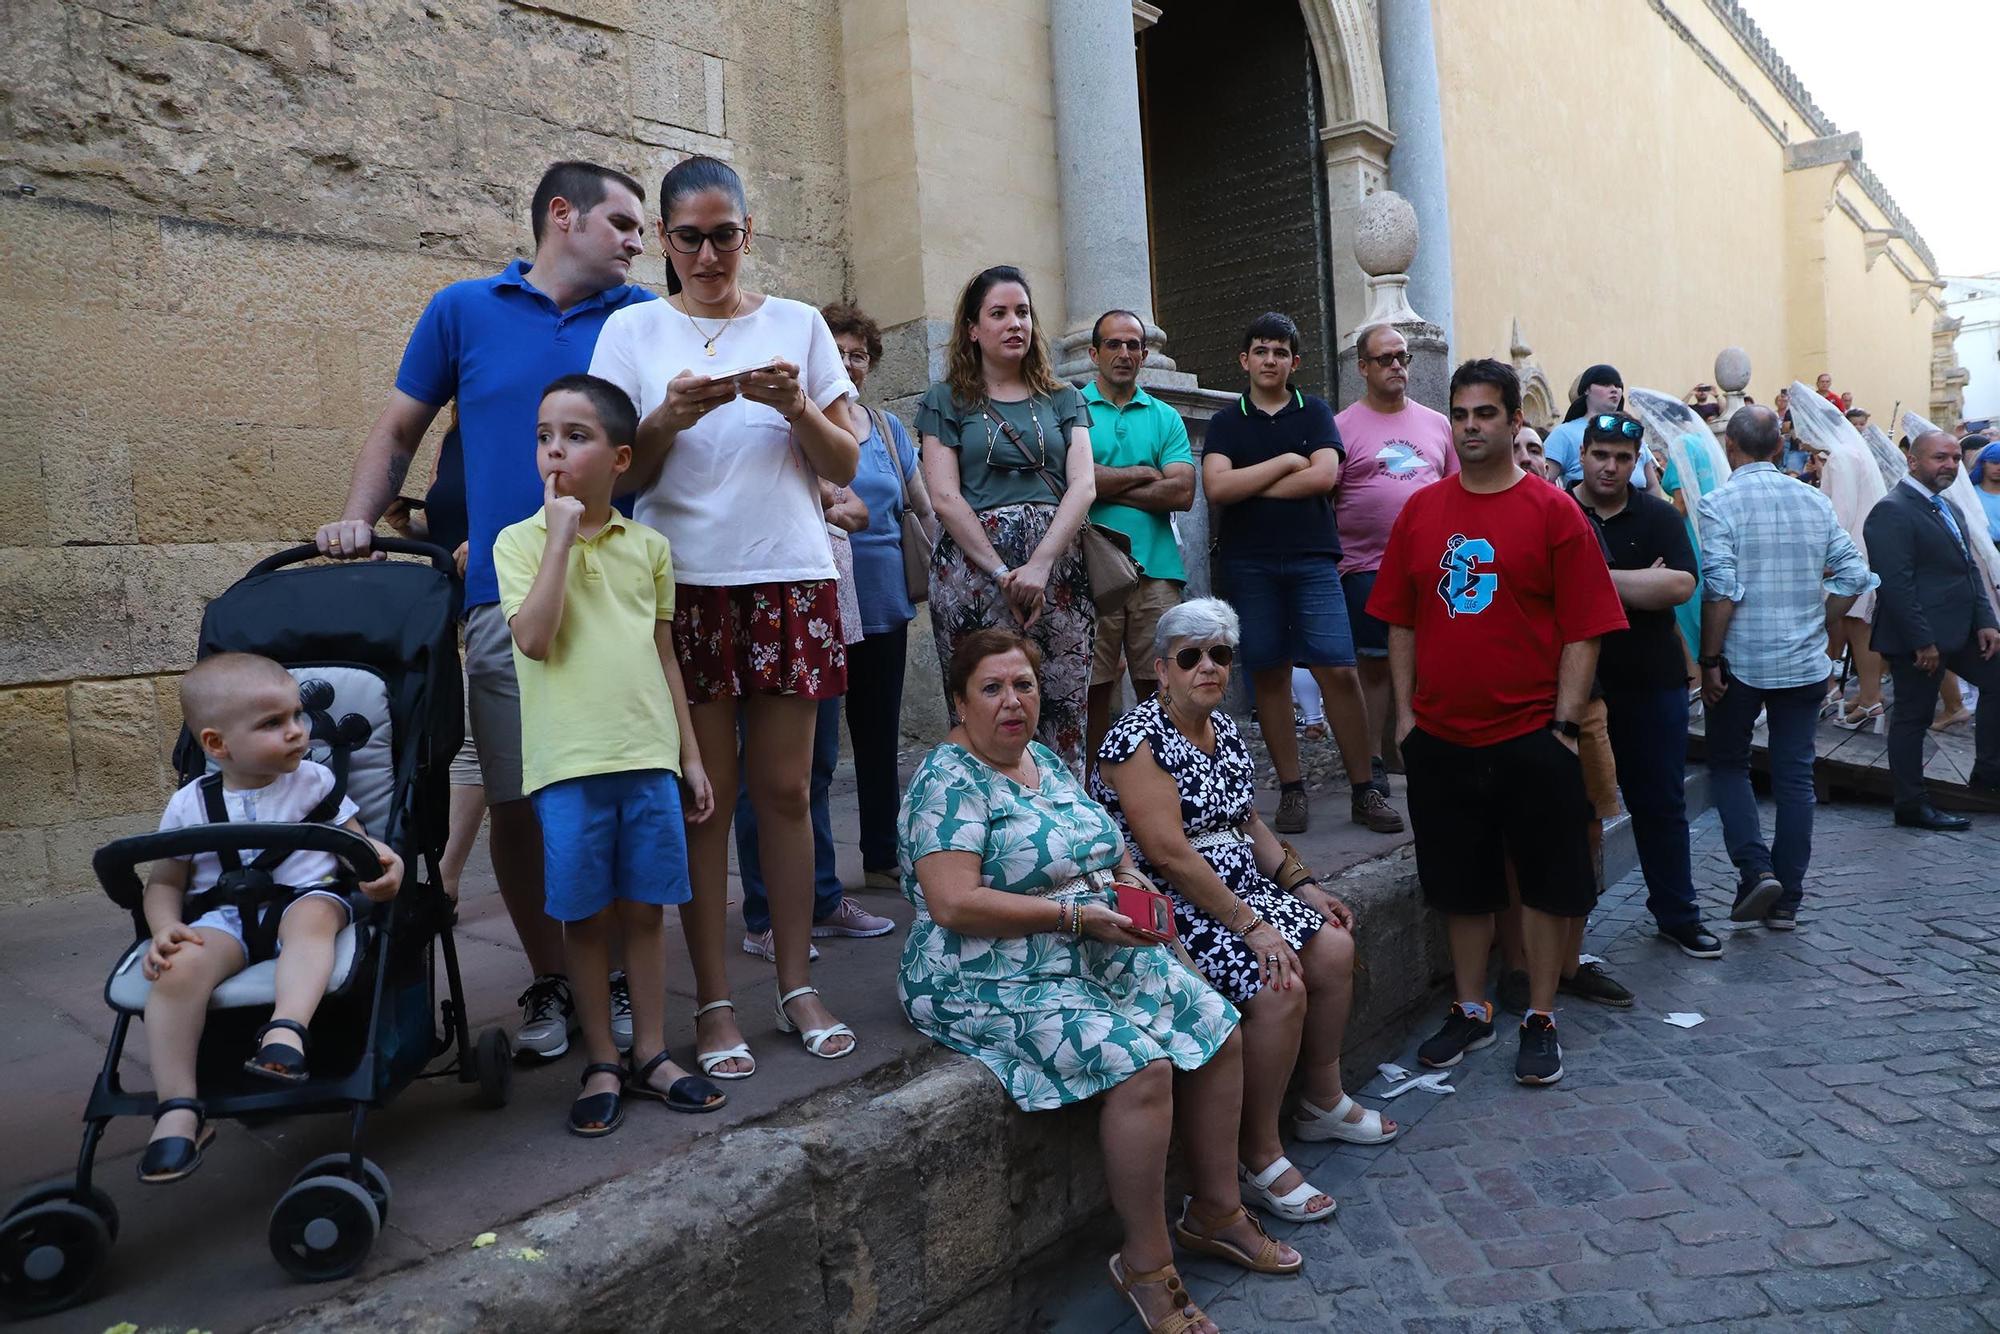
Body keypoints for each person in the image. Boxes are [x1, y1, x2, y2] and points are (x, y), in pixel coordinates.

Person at [316, 162, 654, 1061]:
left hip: (621, 590)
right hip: (501, 594)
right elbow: (399, 429)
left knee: (618, 790)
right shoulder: (462, 307)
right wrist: (356, 516)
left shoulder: (638, 319)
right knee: (516, 797)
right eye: (622, 222)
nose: (636, 241)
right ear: (560, 216)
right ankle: (552, 976)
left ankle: (617, 976)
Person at [901, 630, 1293, 1334]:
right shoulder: (947, 782)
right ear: (959, 704)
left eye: (1023, 684)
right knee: (1141, 1066)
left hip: (1088, 939)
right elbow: (953, 903)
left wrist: (1144, 904)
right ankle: (1146, 1265)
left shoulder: (1042, 760)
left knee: (1216, 1020)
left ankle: (1217, 1210)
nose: (1011, 701)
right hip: (988, 969)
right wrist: (1077, 916)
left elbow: (1107, 852)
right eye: (991, 689)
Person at [589, 154, 862, 1074]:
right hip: (685, 584)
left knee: (787, 793)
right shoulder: (633, 331)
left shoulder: (799, 324)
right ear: (663, 241)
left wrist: (795, 407)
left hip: (790, 574)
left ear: (750, 233)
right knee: (704, 800)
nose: (709, 255)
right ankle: (711, 1003)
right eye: (689, 238)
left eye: (725, 236)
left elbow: (847, 465)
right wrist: (662, 418)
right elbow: (625, 475)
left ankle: (794, 982)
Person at [1093, 598, 1397, 1228]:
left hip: (1237, 887)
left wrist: (1303, 885)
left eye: (1220, 654)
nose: (1208, 666)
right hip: (1173, 901)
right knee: (1279, 985)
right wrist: (1252, 925)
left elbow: (1250, 822)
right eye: (1191, 656)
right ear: (1161, 669)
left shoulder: (1223, 729)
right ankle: (1258, 1153)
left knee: (1334, 946)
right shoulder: (1135, 739)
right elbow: (1168, 853)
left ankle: (1321, 1098)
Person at [1369, 359, 1627, 1088]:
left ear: (1517, 423)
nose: (1472, 426)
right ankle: (1472, 1007)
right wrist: (1408, 714)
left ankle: (1541, 1014)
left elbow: (1585, 627)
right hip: (1443, 736)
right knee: (1460, 884)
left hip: (1531, 733)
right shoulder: (1421, 511)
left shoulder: (1553, 511)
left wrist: (1566, 725)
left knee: (1545, 883)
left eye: (1486, 413)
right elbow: (1401, 620)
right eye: (1461, 414)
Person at [495, 375, 724, 1134]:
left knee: (647, 910)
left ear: (621, 459)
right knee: (586, 918)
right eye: (542, 436)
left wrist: (688, 756)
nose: (554, 450)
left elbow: (664, 658)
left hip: (647, 755)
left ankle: (654, 1052)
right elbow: (533, 637)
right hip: (569, 765)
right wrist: (559, 536)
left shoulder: (648, 548)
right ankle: (601, 1056)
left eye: (576, 436)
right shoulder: (518, 543)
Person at [137, 653, 405, 1182]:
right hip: (226, 918)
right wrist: (164, 927)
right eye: (272, 724)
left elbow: (358, 844)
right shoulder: (190, 803)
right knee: (178, 971)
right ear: (216, 744)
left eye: (296, 717)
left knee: (312, 919)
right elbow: (165, 880)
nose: (296, 732)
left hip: (308, 897)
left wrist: (384, 862)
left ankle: (286, 1032)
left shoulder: (314, 782)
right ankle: (179, 1109)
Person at [1202, 312, 1402, 836]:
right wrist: (1287, 461)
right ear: (1245, 360)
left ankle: (1366, 789)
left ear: (1295, 361)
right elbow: (1217, 490)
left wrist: (1252, 482)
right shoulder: (1227, 422)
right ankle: (1292, 790)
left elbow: (1324, 477)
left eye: (1281, 352)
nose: (1271, 360)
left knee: (1338, 669)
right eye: (1261, 351)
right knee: (1268, 671)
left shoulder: (1314, 411)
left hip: (1313, 558)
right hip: (1250, 563)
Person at [1697, 406, 1877, 929]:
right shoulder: (1813, 501)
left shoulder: (1718, 503)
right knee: (1795, 778)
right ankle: (1788, 899)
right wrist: (1823, 619)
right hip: (1802, 661)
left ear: (1731, 447)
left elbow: (1721, 590)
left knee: (1729, 766)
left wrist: (1709, 659)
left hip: (1741, 662)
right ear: (1780, 448)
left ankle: (1754, 871)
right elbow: (1856, 573)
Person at [918, 265, 1097, 776]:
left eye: (1022, 312)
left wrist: (1039, 565)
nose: (1014, 322)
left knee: (1062, 704)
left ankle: (1064, 830)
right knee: (988, 702)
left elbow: (1083, 484)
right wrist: (1002, 573)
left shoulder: (1065, 397)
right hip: (974, 576)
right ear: (973, 329)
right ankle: (989, 827)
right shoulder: (945, 399)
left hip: (1057, 571)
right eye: (998, 313)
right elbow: (945, 496)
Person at [1571, 413, 1716, 958]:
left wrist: (1595, 581)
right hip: (1580, 690)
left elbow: (1680, 583)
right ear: (1582, 454)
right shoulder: (1557, 508)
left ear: (1637, 462)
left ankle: (1677, 915)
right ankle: (1571, 932)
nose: (1610, 466)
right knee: (1577, 813)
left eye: (1622, 457)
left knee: (1661, 804)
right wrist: (1640, 583)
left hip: (1653, 684)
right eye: (1600, 454)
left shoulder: (1657, 514)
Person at [733, 476, 896, 960]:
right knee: (760, 776)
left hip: (824, 619)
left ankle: (821, 898)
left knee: (817, 768)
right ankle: (763, 917)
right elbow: (827, 503)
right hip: (769, 612)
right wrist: (822, 501)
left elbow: (858, 510)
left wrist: (824, 498)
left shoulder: (814, 448)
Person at [826, 300, 937, 888]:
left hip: (884, 605)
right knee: (817, 753)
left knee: (877, 738)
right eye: (838, 352)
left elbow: (922, 507)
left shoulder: (890, 430)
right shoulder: (808, 427)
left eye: (859, 354)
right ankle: (815, 874)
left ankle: (881, 860)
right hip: (821, 606)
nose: (848, 363)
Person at [1333, 323, 1457, 781]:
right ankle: (1373, 761)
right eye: (1385, 359)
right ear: (1363, 367)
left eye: (1402, 357)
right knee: (1375, 664)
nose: (1396, 366)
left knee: (1427, 661)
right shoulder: (1340, 427)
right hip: (1366, 565)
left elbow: (1453, 490)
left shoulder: (1437, 423)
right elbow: (1328, 496)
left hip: (1429, 566)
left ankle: (1419, 746)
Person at [1864, 430, 2000, 825]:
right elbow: (1896, 584)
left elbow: (1968, 569)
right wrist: (1922, 641)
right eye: (1940, 458)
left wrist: (1986, 622)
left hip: (1960, 631)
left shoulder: (1947, 508)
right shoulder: (1892, 509)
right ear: (1913, 461)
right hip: (1917, 639)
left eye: (1956, 459)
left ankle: (1989, 772)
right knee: (1913, 717)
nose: (1951, 466)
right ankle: (1911, 804)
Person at [1082, 310, 1196, 765]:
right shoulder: (1072, 409)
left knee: (1163, 684)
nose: (1124, 353)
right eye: (1113, 344)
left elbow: (1183, 491)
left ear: (1145, 355)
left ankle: (1165, 781)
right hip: (1092, 570)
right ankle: (1091, 789)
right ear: (1094, 353)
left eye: (1133, 345)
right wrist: (1143, 475)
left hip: (1157, 571)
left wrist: (1108, 484)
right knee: (1093, 687)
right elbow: (1075, 482)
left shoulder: (1165, 416)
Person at [1544, 364, 1648, 488]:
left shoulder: (1630, 430)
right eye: (1605, 384)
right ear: (1586, 390)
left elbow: (1652, 486)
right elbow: (1544, 481)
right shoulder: (1564, 433)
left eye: (1618, 385)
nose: (1614, 389)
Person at [1974, 440, 2000, 546]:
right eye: (1994, 462)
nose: (1999, 468)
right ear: (1983, 463)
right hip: (1983, 549)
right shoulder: (1971, 495)